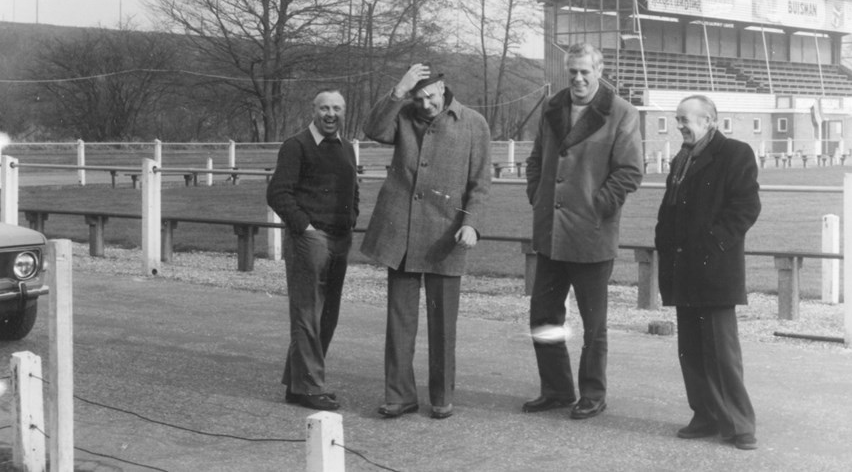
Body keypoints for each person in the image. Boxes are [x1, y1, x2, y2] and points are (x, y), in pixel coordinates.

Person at [361, 63, 491, 420]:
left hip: (447, 236)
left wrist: (472, 225)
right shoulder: (402, 114)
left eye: (430, 96)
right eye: (418, 98)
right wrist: (398, 91)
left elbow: (480, 184)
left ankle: (441, 396)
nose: (426, 105)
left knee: (443, 322)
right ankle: (400, 395)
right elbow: (372, 129)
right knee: (399, 321)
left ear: (443, 87)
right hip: (400, 234)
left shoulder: (473, 123)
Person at [522, 42, 644, 420]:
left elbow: (630, 172)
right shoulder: (552, 106)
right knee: (543, 317)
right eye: (572, 71)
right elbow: (537, 159)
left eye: (585, 71)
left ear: (599, 70)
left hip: (591, 234)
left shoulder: (621, 112)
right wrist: (538, 197)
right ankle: (557, 390)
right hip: (550, 233)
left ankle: (593, 394)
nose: (577, 78)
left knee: (594, 325)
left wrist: (597, 206)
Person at [655, 94, 761, 451]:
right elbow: (669, 209)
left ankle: (740, 425)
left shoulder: (735, 153)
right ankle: (705, 415)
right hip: (682, 268)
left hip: (714, 268)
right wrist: (664, 243)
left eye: (686, 119)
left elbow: (746, 207)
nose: (680, 126)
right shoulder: (680, 159)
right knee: (692, 349)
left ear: (710, 121)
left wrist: (713, 244)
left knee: (721, 352)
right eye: (678, 119)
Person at [266, 89, 359, 412]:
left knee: (327, 316)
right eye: (324, 108)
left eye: (336, 108)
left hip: (340, 239)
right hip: (310, 240)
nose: (330, 114)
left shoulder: (347, 148)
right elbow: (278, 193)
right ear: (314, 110)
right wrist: (305, 228)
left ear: (344, 111)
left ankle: (297, 384)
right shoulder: (296, 146)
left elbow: (353, 191)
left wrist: (352, 218)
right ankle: (311, 386)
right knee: (307, 314)